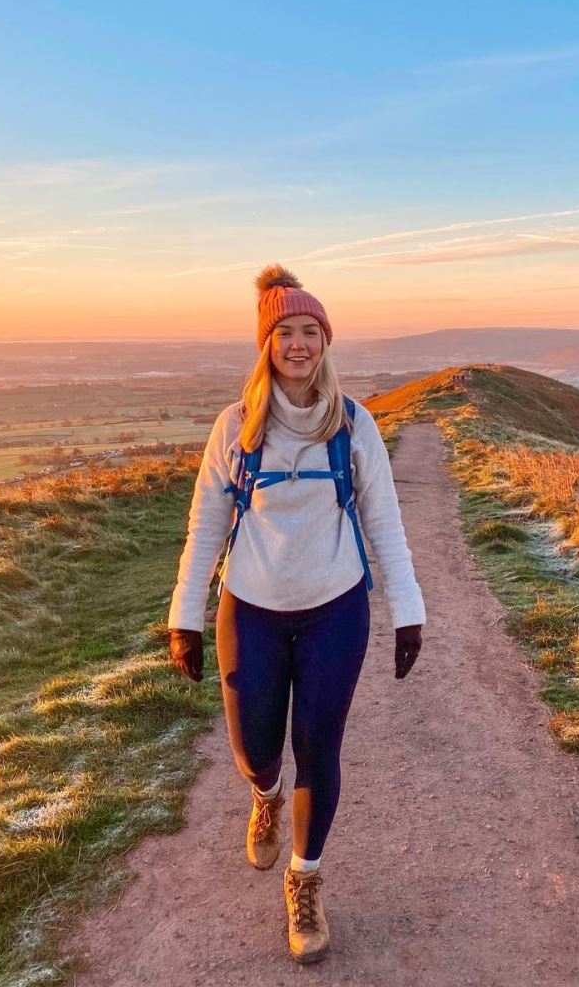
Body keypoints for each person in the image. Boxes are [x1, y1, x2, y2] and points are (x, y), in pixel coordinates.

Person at [167, 264, 426, 964]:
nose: (299, 344)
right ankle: (266, 796)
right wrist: (184, 618)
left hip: (335, 612)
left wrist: (409, 614)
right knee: (256, 751)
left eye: (311, 331)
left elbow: (385, 522)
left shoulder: (353, 425)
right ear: (267, 343)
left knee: (319, 748)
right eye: (285, 332)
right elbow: (204, 530)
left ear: (326, 342)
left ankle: (305, 879)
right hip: (248, 610)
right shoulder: (236, 428)